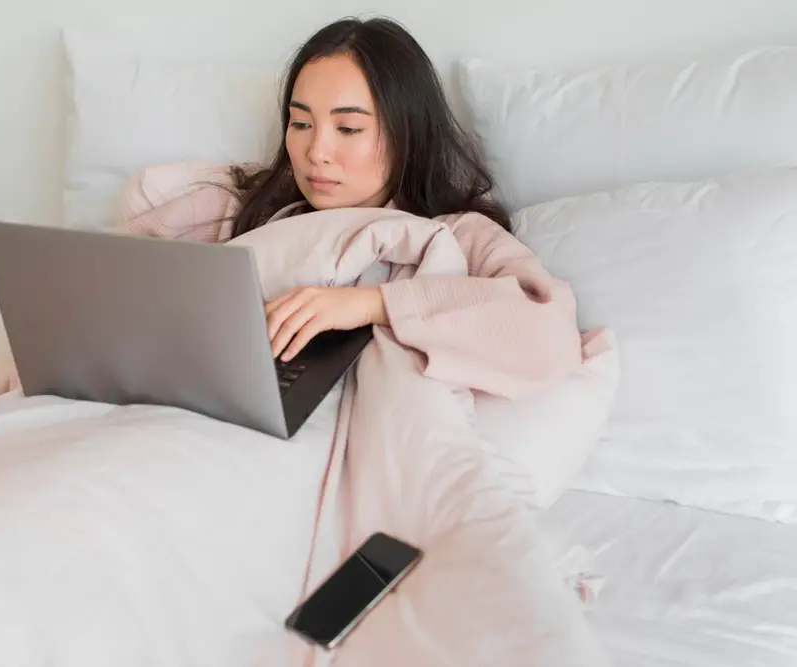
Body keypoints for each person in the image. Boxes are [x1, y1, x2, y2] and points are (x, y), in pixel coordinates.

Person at [119, 17, 583, 396]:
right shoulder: (244, 210)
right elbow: (116, 275)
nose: (316, 150)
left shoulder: (458, 234)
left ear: (406, 134)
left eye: (348, 129)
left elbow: (546, 337)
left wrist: (370, 305)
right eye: (300, 123)